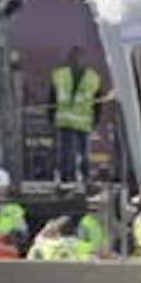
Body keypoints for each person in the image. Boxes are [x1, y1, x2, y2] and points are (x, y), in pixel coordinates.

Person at [48, 46, 102, 188]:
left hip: (65, 120)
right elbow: (98, 103)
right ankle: (84, 177)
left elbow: (51, 99)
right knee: (82, 152)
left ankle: (67, 178)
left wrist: (50, 117)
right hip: (83, 122)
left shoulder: (60, 75)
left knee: (66, 152)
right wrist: (96, 120)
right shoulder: (93, 78)